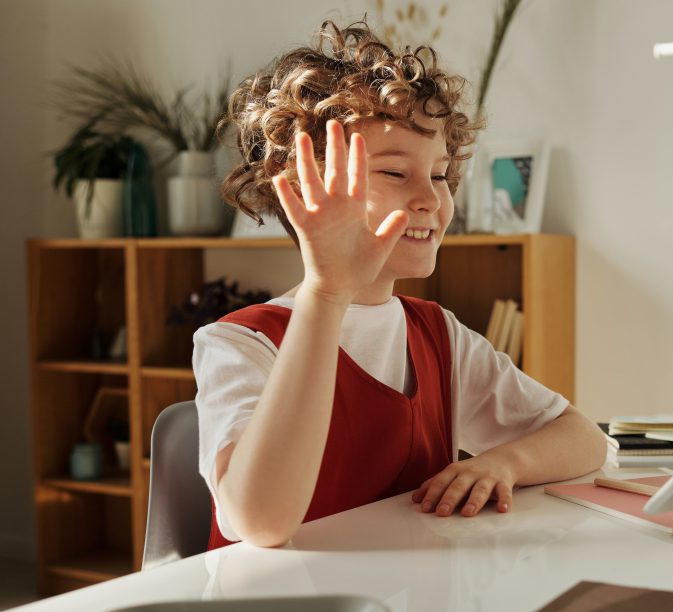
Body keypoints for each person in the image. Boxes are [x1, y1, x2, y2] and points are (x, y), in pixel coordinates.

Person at [195, 20, 606, 549]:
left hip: (404, 609)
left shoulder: (438, 335)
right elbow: (263, 521)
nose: (431, 200)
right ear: (305, 191)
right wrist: (326, 292)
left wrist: (505, 461)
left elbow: (584, 440)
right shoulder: (237, 345)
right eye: (395, 174)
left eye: (439, 175)